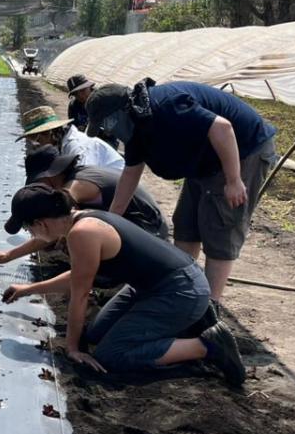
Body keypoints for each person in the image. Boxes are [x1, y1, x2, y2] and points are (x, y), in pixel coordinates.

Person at [0, 184, 244, 385]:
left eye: (27, 227)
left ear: (41, 223)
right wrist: (28, 289)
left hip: (180, 291)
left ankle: (207, 345)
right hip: (153, 286)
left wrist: (72, 348)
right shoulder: (82, 218)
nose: (30, 234)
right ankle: (183, 325)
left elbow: (80, 293)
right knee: (95, 333)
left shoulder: (82, 234)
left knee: (112, 356)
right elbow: (79, 277)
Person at [85, 80, 278, 302]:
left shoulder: (166, 106)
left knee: (220, 226)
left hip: (242, 151)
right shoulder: (137, 129)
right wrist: (111, 220)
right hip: (204, 161)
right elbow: (130, 174)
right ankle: (182, 287)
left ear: (119, 114)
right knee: (186, 224)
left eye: (106, 124)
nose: (107, 130)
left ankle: (208, 306)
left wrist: (233, 180)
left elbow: (222, 127)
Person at [0, 145, 167, 266]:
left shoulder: (76, 187)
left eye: (42, 181)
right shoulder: (77, 176)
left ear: (52, 175)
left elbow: (51, 227)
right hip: (139, 226)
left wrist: (9, 256)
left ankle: (106, 275)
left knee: (75, 237)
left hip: (149, 231)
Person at [18, 105, 123, 170]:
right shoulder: (62, 145)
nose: (38, 146)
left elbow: (83, 181)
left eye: (38, 140)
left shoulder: (77, 147)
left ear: (50, 133)